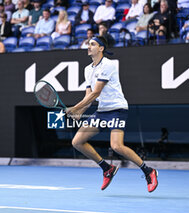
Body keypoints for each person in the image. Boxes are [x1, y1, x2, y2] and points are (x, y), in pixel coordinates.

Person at [66, 36, 158, 193]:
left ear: (101, 48)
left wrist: (74, 107)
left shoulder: (108, 65)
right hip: (102, 111)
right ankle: (107, 168)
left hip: (117, 109)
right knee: (77, 141)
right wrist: (79, 112)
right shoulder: (87, 69)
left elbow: (96, 92)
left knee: (116, 146)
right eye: (88, 44)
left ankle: (148, 170)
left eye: (92, 44)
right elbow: (88, 97)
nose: (89, 47)